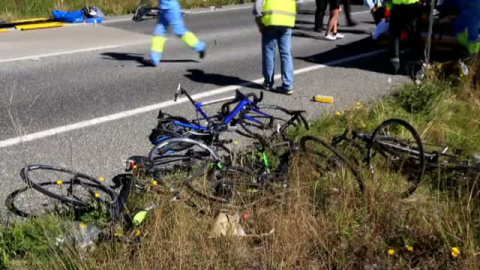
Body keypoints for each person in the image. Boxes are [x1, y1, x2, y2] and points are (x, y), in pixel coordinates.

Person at [253, 0, 297, 95]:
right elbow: (300, 2)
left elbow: (258, 5)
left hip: (270, 21)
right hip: (287, 20)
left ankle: (268, 83)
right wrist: (294, 11)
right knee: (286, 54)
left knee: (269, 52)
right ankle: (288, 85)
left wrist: (259, 21)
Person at [149, 0, 206, 66]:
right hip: (164, 9)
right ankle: (154, 59)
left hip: (171, 8)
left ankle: (200, 46)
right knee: (159, 31)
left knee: (179, 31)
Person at [389, 0, 423, 74]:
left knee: (395, 35)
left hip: (397, 6)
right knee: (413, 35)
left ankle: (394, 66)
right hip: (411, 6)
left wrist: (389, 7)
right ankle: (415, 67)